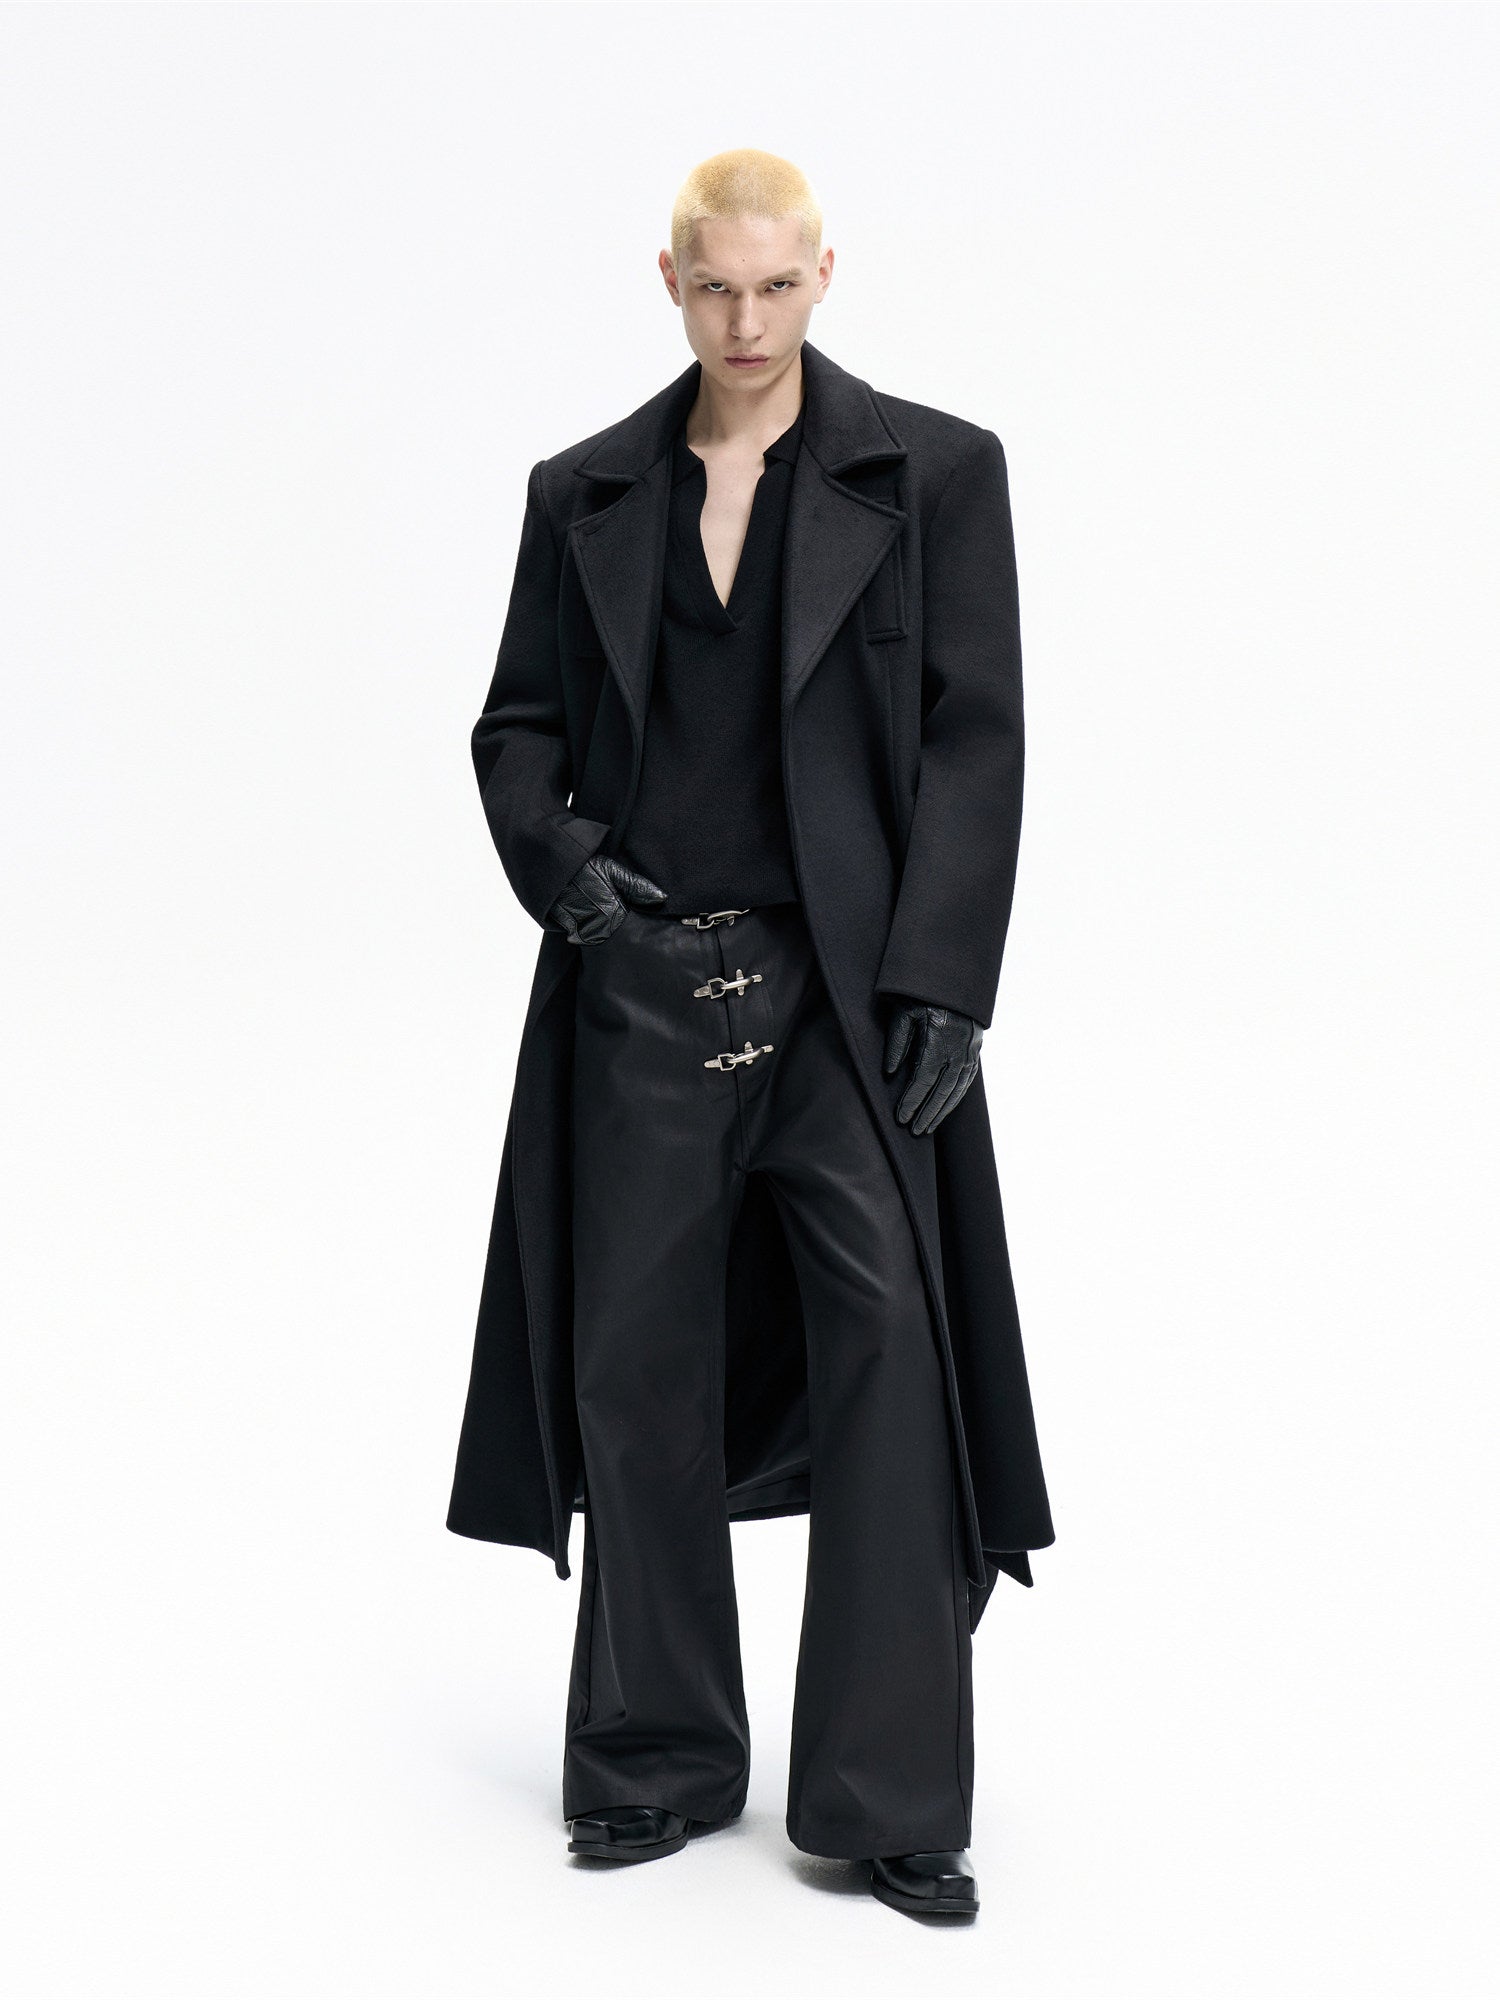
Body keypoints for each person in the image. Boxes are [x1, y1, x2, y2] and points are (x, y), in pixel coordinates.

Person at [447, 148, 1054, 1920]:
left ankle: (888, 1797)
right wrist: (567, 868)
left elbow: (977, 734)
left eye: (777, 286)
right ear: (671, 281)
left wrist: (946, 978)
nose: (747, 320)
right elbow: (515, 724)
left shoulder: (932, 472)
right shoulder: (587, 490)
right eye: (717, 287)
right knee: (631, 1365)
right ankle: (653, 1760)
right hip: (642, 984)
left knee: (892, 1362)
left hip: (845, 1000)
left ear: (824, 276)